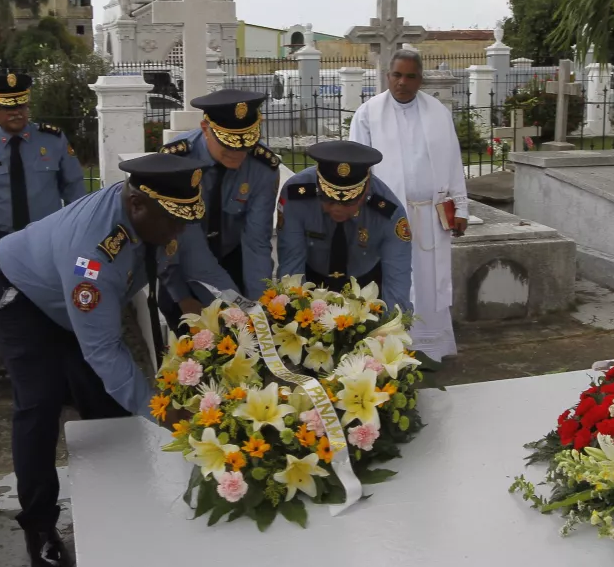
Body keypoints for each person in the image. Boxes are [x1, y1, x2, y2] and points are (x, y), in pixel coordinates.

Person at [0, 153, 230, 567]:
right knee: (40, 402)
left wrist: (230, 311)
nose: (180, 231)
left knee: (105, 404)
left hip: (69, 299)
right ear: (136, 205)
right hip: (18, 294)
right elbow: (105, 350)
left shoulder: (162, 211)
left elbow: (188, 265)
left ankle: (119, 512)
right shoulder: (92, 256)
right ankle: (39, 526)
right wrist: (165, 412)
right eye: (173, 221)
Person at [349, 48, 468, 361]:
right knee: (394, 277)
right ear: (388, 76)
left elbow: (454, 162)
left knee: (430, 280)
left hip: (431, 214)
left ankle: (431, 346)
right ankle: (392, 348)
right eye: (397, 75)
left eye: (410, 76)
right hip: (386, 215)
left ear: (420, 79)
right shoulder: (368, 113)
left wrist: (461, 208)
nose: (402, 82)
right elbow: (358, 167)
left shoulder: (438, 113)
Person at [157, 89, 280, 331]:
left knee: (243, 340)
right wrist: (182, 296)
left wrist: (260, 306)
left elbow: (257, 242)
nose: (238, 154)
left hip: (232, 260)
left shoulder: (262, 166)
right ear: (205, 128)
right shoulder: (176, 162)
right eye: (228, 144)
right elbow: (181, 245)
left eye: (245, 145)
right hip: (180, 268)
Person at [0, 72, 85, 267]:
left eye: (21, 105)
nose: (16, 112)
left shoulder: (52, 140)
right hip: (1, 241)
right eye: (8, 107)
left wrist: (75, 235)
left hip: (47, 238)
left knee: (49, 295)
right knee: (2, 296)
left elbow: (75, 190)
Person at [277, 140, 412, 313]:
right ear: (319, 187)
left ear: (365, 191)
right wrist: (293, 313)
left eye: (349, 203)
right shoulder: (295, 196)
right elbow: (291, 268)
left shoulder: (388, 212)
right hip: (312, 280)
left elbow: (396, 280)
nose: (337, 209)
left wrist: (392, 327)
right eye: (328, 199)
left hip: (367, 285)